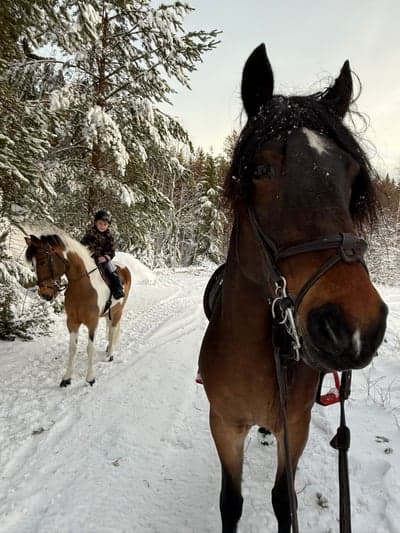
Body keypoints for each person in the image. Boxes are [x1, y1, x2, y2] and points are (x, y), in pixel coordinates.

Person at [81, 209, 125, 300]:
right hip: (91, 259)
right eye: (100, 223)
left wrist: (106, 257)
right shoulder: (90, 234)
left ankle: (118, 288)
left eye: (105, 224)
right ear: (95, 223)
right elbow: (82, 245)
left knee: (111, 269)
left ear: (108, 225)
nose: (102, 226)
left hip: (104, 260)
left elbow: (111, 250)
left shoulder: (109, 236)